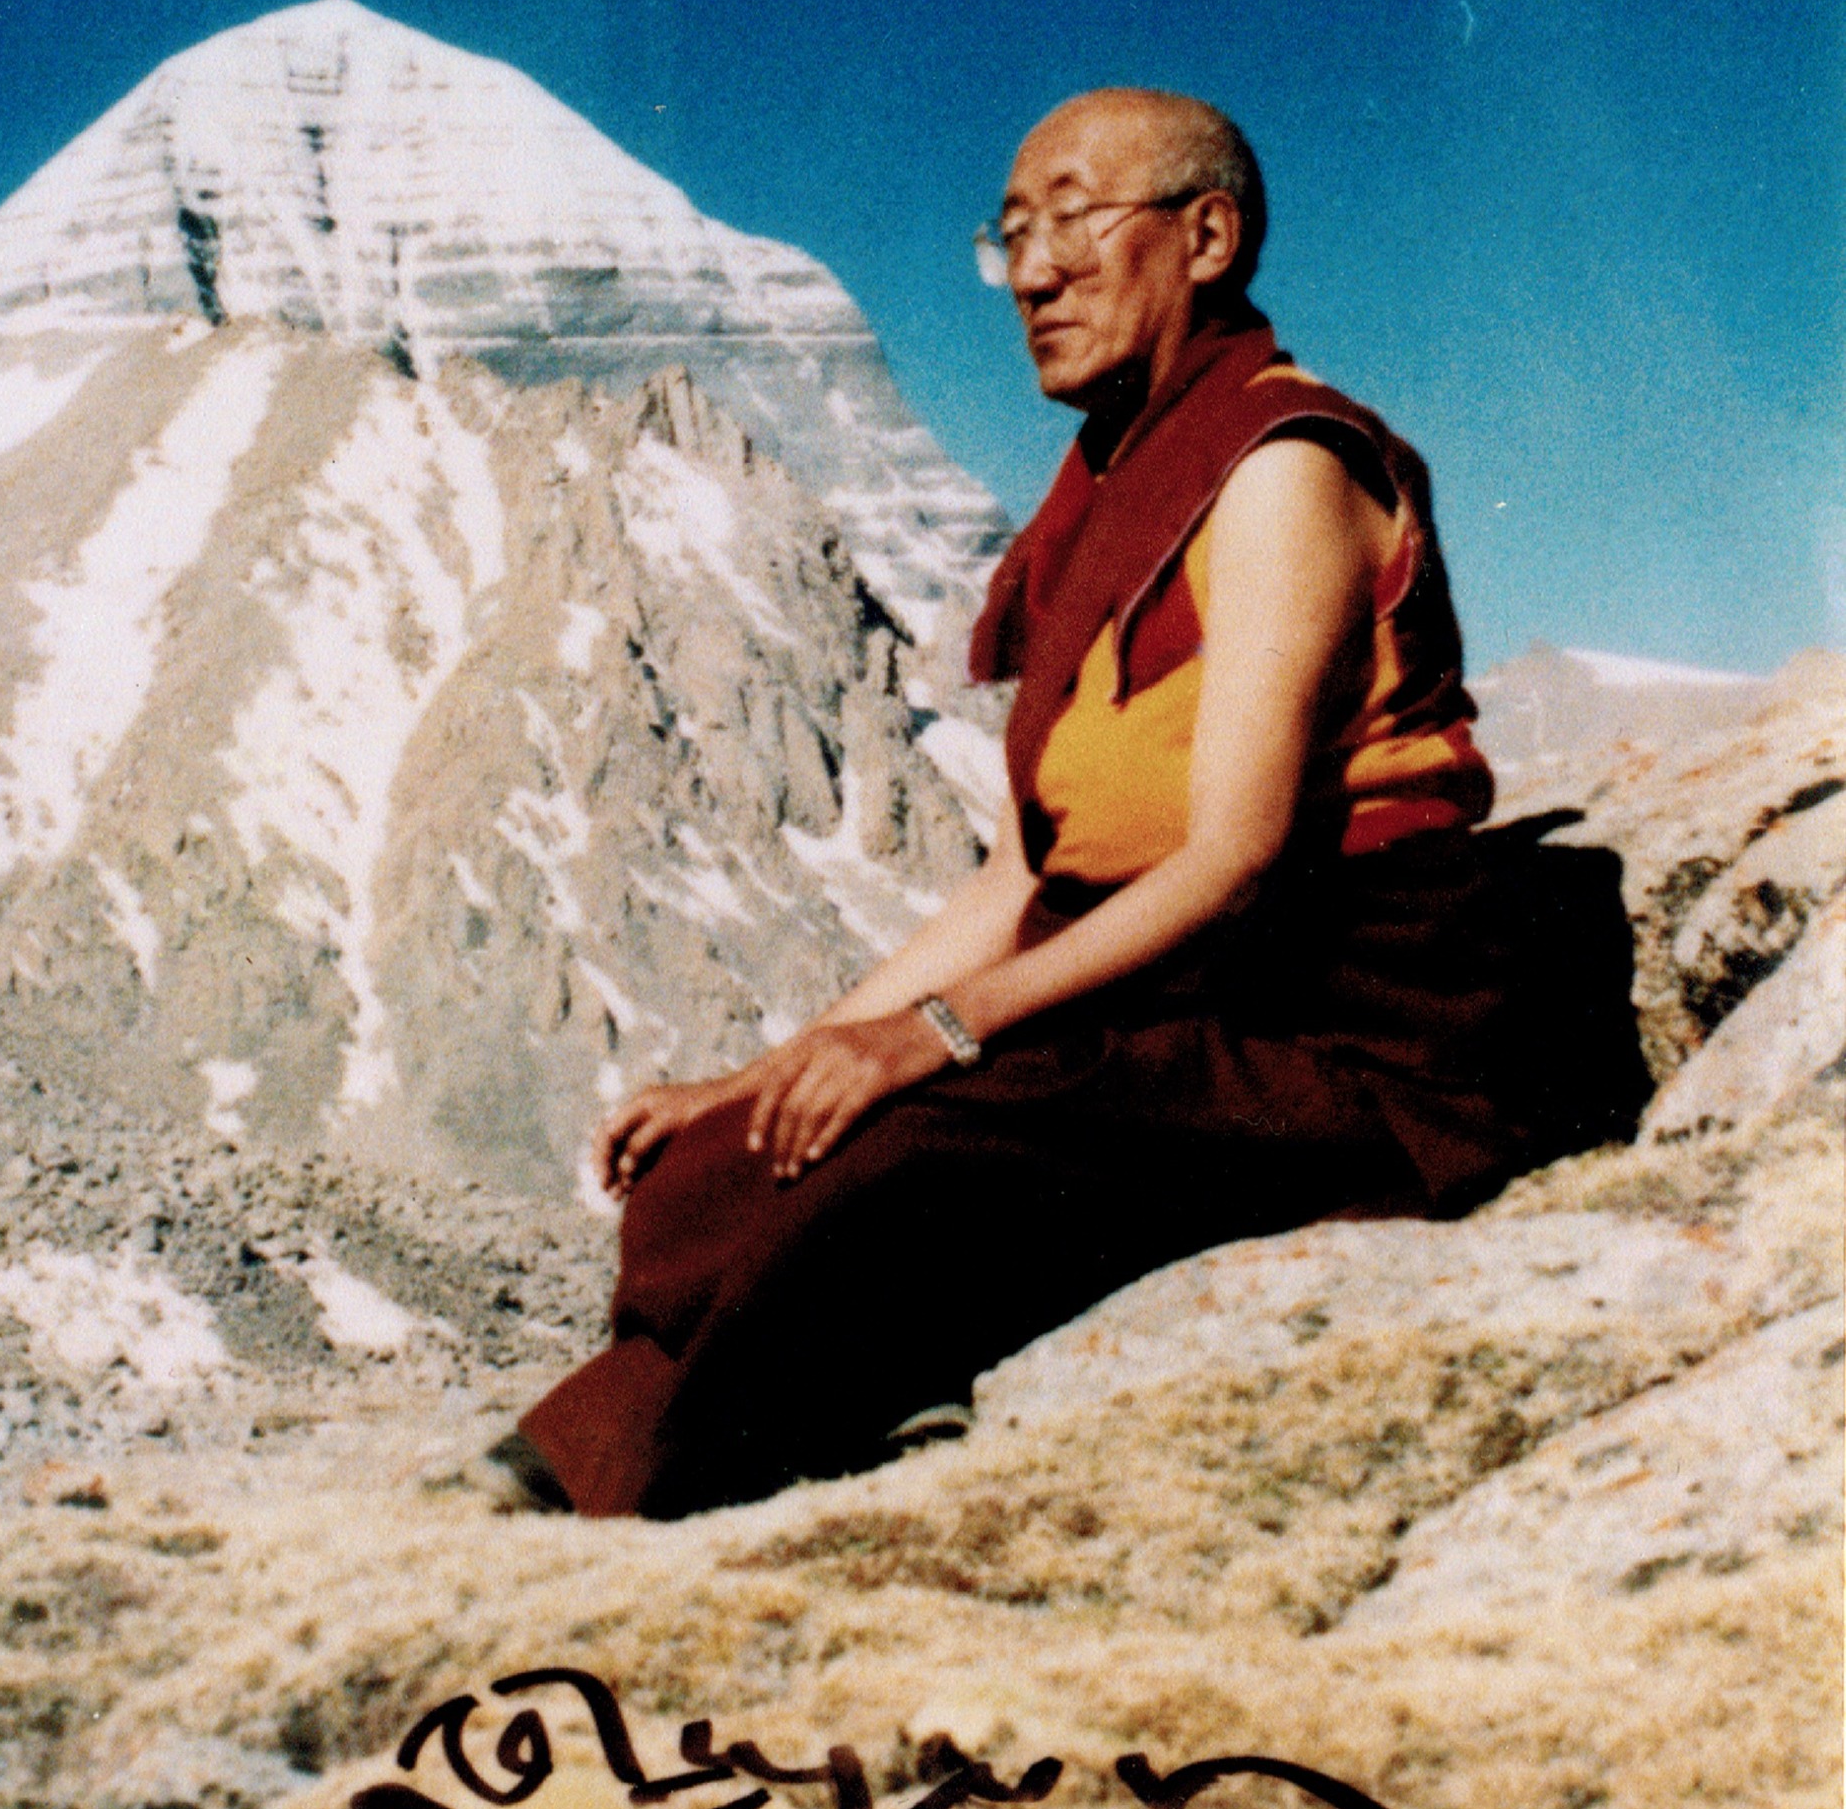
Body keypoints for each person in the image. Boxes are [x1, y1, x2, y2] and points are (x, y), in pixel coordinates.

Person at [490, 86, 1648, 1519]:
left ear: (1207, 235)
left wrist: (936, 1038)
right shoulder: (1095, 508)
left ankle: (687, 1493)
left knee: (916, 1156)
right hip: (1171, 988)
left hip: (1348, 1014)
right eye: (1012, 236)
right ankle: (643, 1441)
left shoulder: (1284, 469)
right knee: (713, 1170)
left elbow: (1234, 862)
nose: (1032, 274)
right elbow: (1013, 884)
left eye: (1075, 224)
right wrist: (767, 1068)